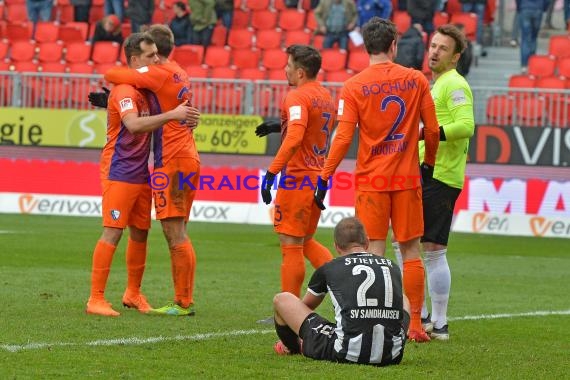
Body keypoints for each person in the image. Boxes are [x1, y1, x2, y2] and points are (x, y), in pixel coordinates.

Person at [316, 17, 440, 342]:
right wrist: (428, 164)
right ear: (394, 45)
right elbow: (434, 130)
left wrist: (325, 176)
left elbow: (343, 138)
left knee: (372, 252)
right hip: (407, 179)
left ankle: (375, 321)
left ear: (365, 47)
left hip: (372, 182)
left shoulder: (354, 86)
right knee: (411, 250)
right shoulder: (416, 79)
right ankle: (414, 324)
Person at [86, 33, 196, 317]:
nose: (156, 59)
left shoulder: (145, 90)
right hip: (119, 169)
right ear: (135, 60)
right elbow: (133, 125)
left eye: (158, 53)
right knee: (112, 231)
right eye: (150, 56)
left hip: (141, 172)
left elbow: (172, 106)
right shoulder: (124, 90)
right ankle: (95, 299)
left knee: (140, 233)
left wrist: (186, 116)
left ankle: (132, 292)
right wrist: (173, 115)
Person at [273, 217, 411, 366]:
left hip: (347, 352)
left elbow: (306, 306)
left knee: (282, 300)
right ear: (367, 242)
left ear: (337, 246)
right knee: (404, 299)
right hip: (393, 354)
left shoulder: (329, 268)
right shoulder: (392, 265)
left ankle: (291, 347)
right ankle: (393, 339)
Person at [258, 44, 335, 300]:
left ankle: (288, 310)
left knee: (291, 244)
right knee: (307, 240)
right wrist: (278, 126)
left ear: (300, 72)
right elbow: (308, 129)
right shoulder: (326, 96)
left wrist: (271, 173)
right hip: (318, 177)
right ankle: (342, 286)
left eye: (289, 66)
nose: (285, 70)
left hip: (297, 177)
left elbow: (294, 139)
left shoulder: (297, 97)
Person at [416, 24, 474, 340]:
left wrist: (427, 134)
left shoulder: (454, 84)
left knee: (433, 249)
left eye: (442, 48)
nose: (435, 51)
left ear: (455, 57)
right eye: (433, 45)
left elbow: (466, 125)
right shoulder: (435, 84)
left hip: (441, 174)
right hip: (428, 171)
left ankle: (438, 323)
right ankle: (423, 316)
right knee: (407, 242)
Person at [516, 0, 551, 72]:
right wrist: (544, 8)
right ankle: (532, 63)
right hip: (538, 9)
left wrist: (519, 7)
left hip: (525, 8)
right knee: (534, 37)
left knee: (525, 38)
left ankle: (524, 65)